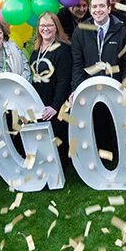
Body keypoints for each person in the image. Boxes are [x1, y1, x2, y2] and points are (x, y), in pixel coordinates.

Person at [28, 12, 72, 163]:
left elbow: (64, 81)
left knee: (57, 135)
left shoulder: (63, 49)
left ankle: (61, 166)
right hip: (40, 100)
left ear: (56, 28)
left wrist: (55, 106)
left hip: (56, 102)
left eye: (49, 25)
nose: (45, 28)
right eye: (42, 25)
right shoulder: (36, 49)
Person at [70, 0, 126, 90]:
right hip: (89, 87)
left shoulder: (122, 31)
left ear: (109, 9)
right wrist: (78, 89)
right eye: (94, 7)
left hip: (115, 88)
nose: (98, 10)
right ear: (91, 11)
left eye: (102, 6)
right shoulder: (80, 31)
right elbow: (77, 65)